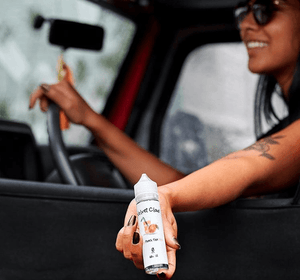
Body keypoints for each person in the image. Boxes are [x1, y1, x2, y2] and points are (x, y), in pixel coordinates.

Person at [29, 0, 300, 278]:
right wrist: (89, 119)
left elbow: (250, 165)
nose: (246, 24)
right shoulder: (287, 125)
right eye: (242, 12)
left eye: (265, 10)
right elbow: (183, 184)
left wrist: (162, 197)